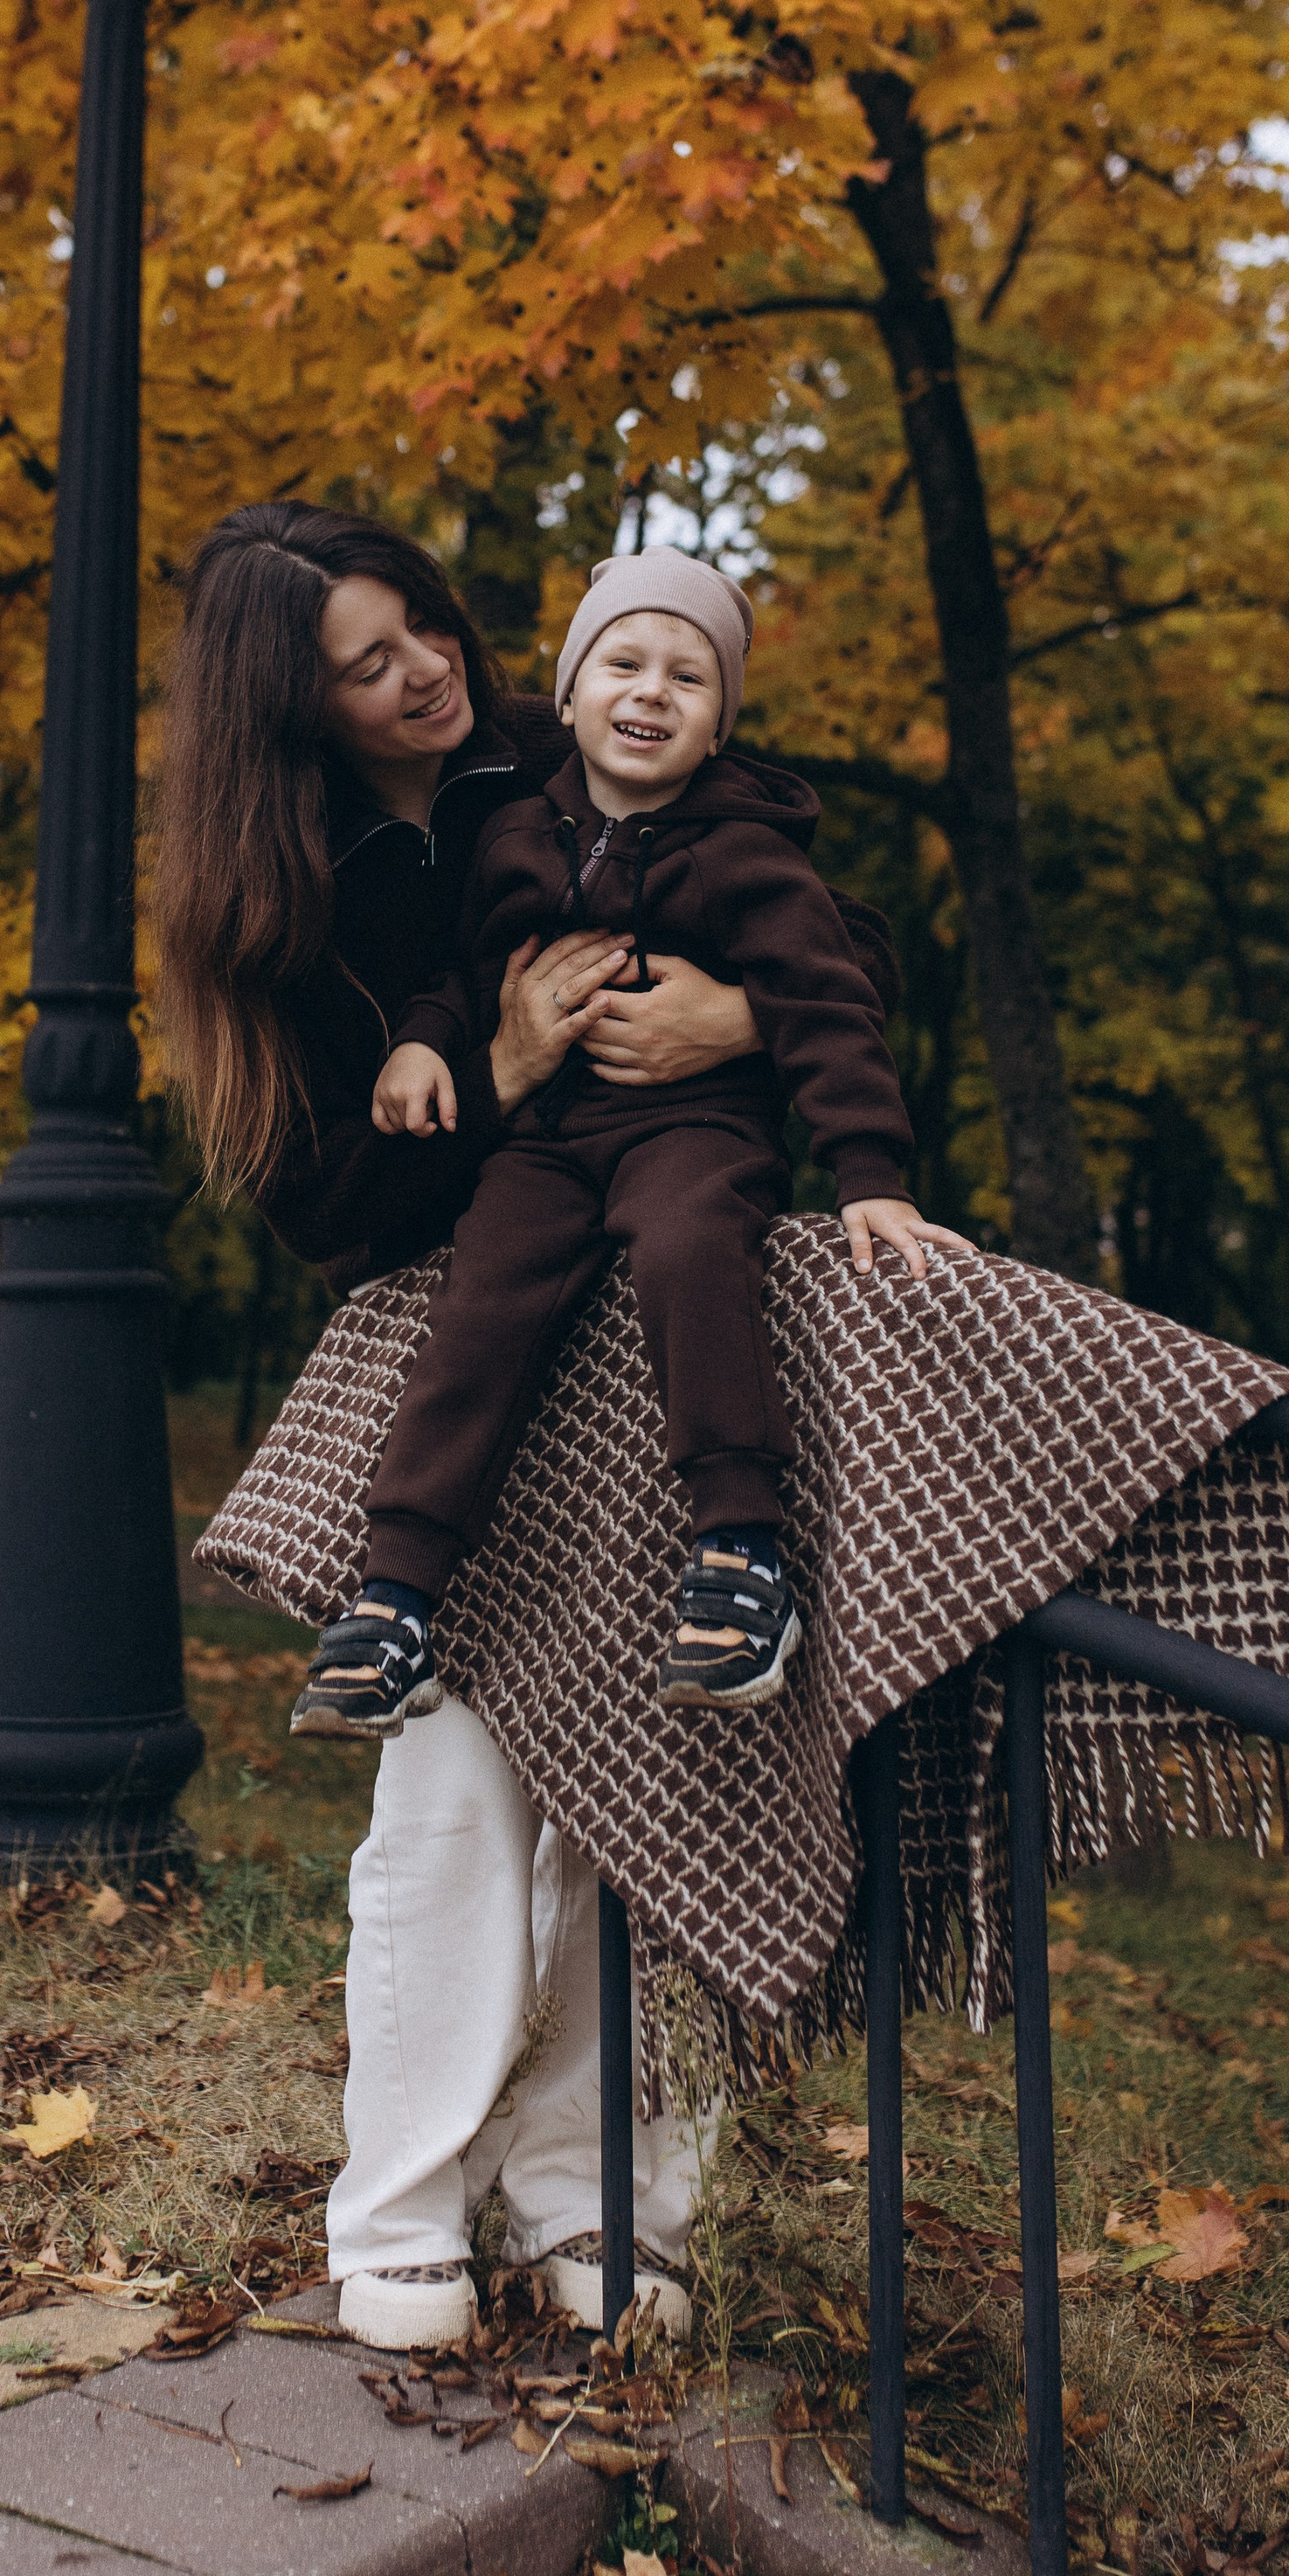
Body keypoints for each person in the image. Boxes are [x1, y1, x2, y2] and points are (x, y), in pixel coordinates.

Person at [153, 503, 899, 2353]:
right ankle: (399, 2203)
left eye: (423, 624)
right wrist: (493, 1069)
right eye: (365, 658)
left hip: (667, 1331)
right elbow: (330, 1208)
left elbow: (818, 931)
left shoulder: (550, 760)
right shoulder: (279, 906)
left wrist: (725, 1018)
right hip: (471, 1352)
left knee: (667, 1782)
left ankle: (599, 2202)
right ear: (287, 709)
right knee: (462, 1805)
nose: (420, 667)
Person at [293, 550, 960, 1743]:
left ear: (719, 730)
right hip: (546, 1144)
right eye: (623, 663)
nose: (651, 692)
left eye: (688, 679)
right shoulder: (512, 831)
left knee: (689, 1246)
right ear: (570, 692)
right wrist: (425, 1050)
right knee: (481, 1305)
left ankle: (742, 1554)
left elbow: (831, 1002)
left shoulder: (752, 856)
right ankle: (394, 1598)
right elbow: (470, 974)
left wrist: (870, 1174)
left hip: (694, 1129)